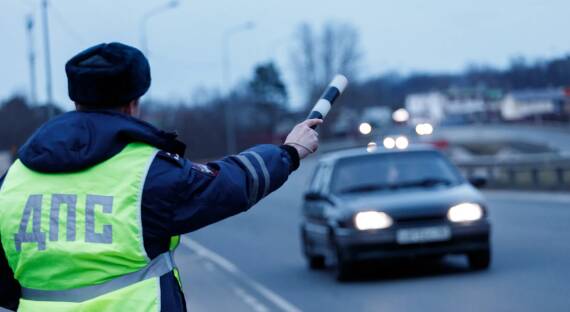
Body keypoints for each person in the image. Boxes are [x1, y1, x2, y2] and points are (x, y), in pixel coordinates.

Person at [0, 42, 321, 311]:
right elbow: (230, 185)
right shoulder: (146, 172)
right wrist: (289, 152)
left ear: (75, 99)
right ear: (132, 104)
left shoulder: (15, 179)